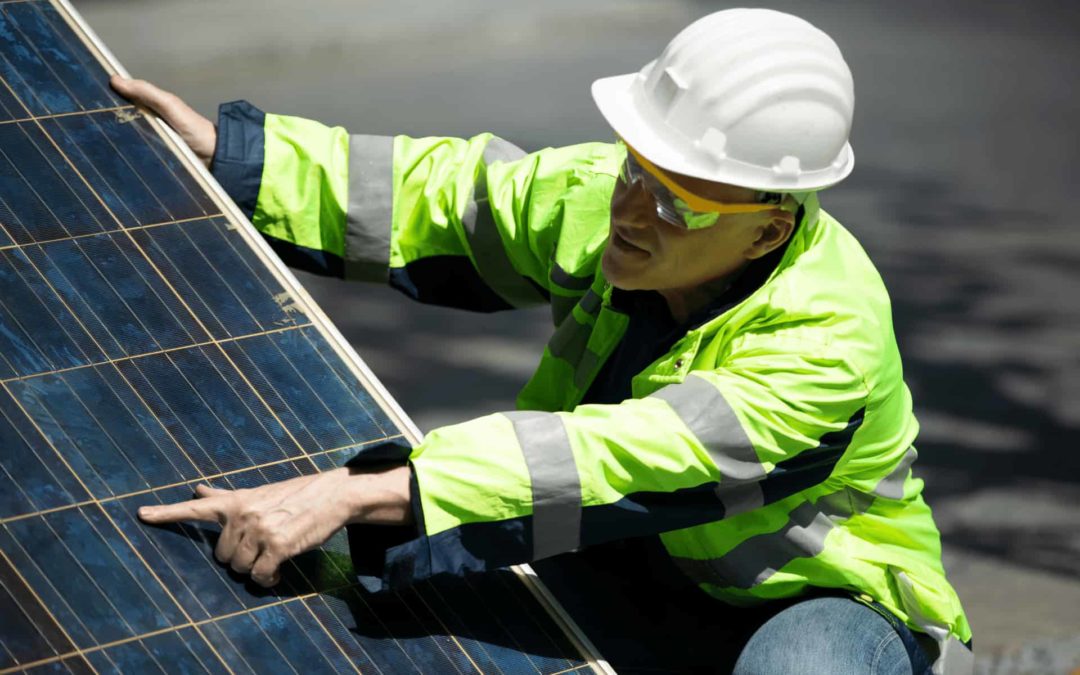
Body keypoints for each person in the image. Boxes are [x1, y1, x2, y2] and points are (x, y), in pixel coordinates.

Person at [117, 8, 973, 674]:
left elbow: (622, 455)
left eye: (680, 202)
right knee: (396, 578)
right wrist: (241, 157)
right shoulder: (611, 198)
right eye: (638, 167)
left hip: (814, 601)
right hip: (622, 562)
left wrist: (355, 491)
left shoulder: (827, 334)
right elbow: (443, 197)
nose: (634, 209)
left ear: (765, 230)